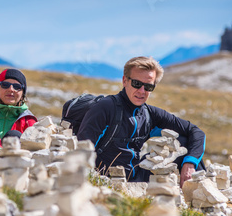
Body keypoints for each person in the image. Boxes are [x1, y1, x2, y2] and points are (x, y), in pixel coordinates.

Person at [77, 56, 205, 187]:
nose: (142, 91)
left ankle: (197, 199)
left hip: (138, 176)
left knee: (184, 144)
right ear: (124, 81)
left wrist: (190, 163)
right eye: (137, 84)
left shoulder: (150, 114)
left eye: (149, 86)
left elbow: (196, 132)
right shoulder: (105, 108)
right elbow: (82, 152)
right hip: (108, 182)